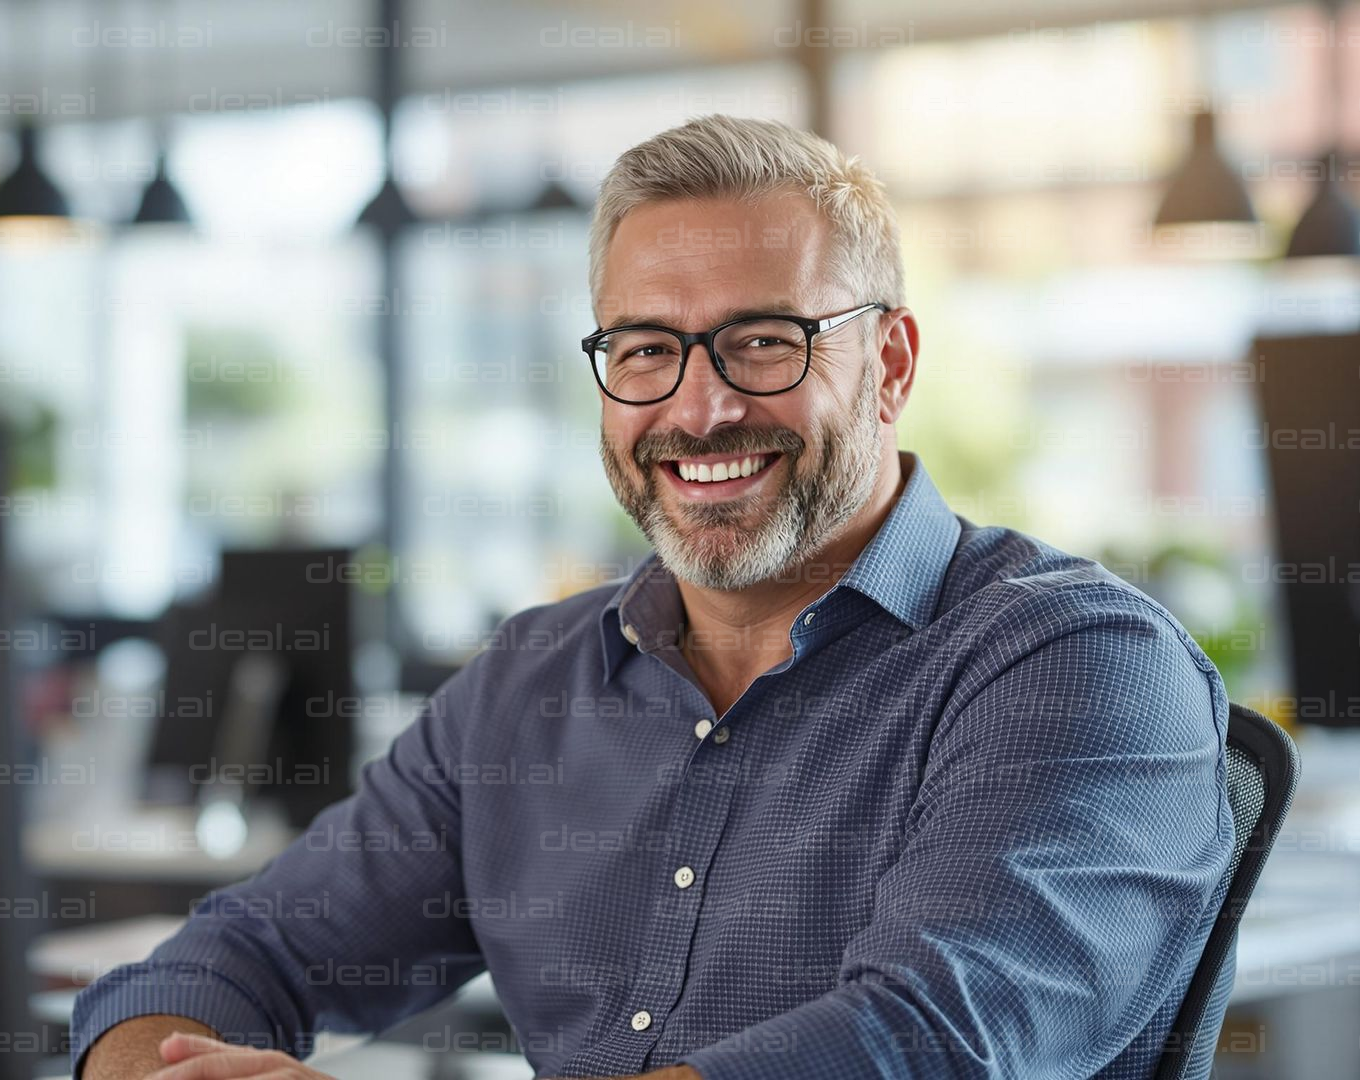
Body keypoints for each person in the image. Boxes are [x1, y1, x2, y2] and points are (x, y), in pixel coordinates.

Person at [70, 114, 1235, 1080]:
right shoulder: (531, 683)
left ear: (889, 366)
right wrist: (158, 1066)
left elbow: (923, 1043)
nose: (698, 409)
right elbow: (249, 953)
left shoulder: (1075, 664)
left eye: (764, 343)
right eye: (643, 351)